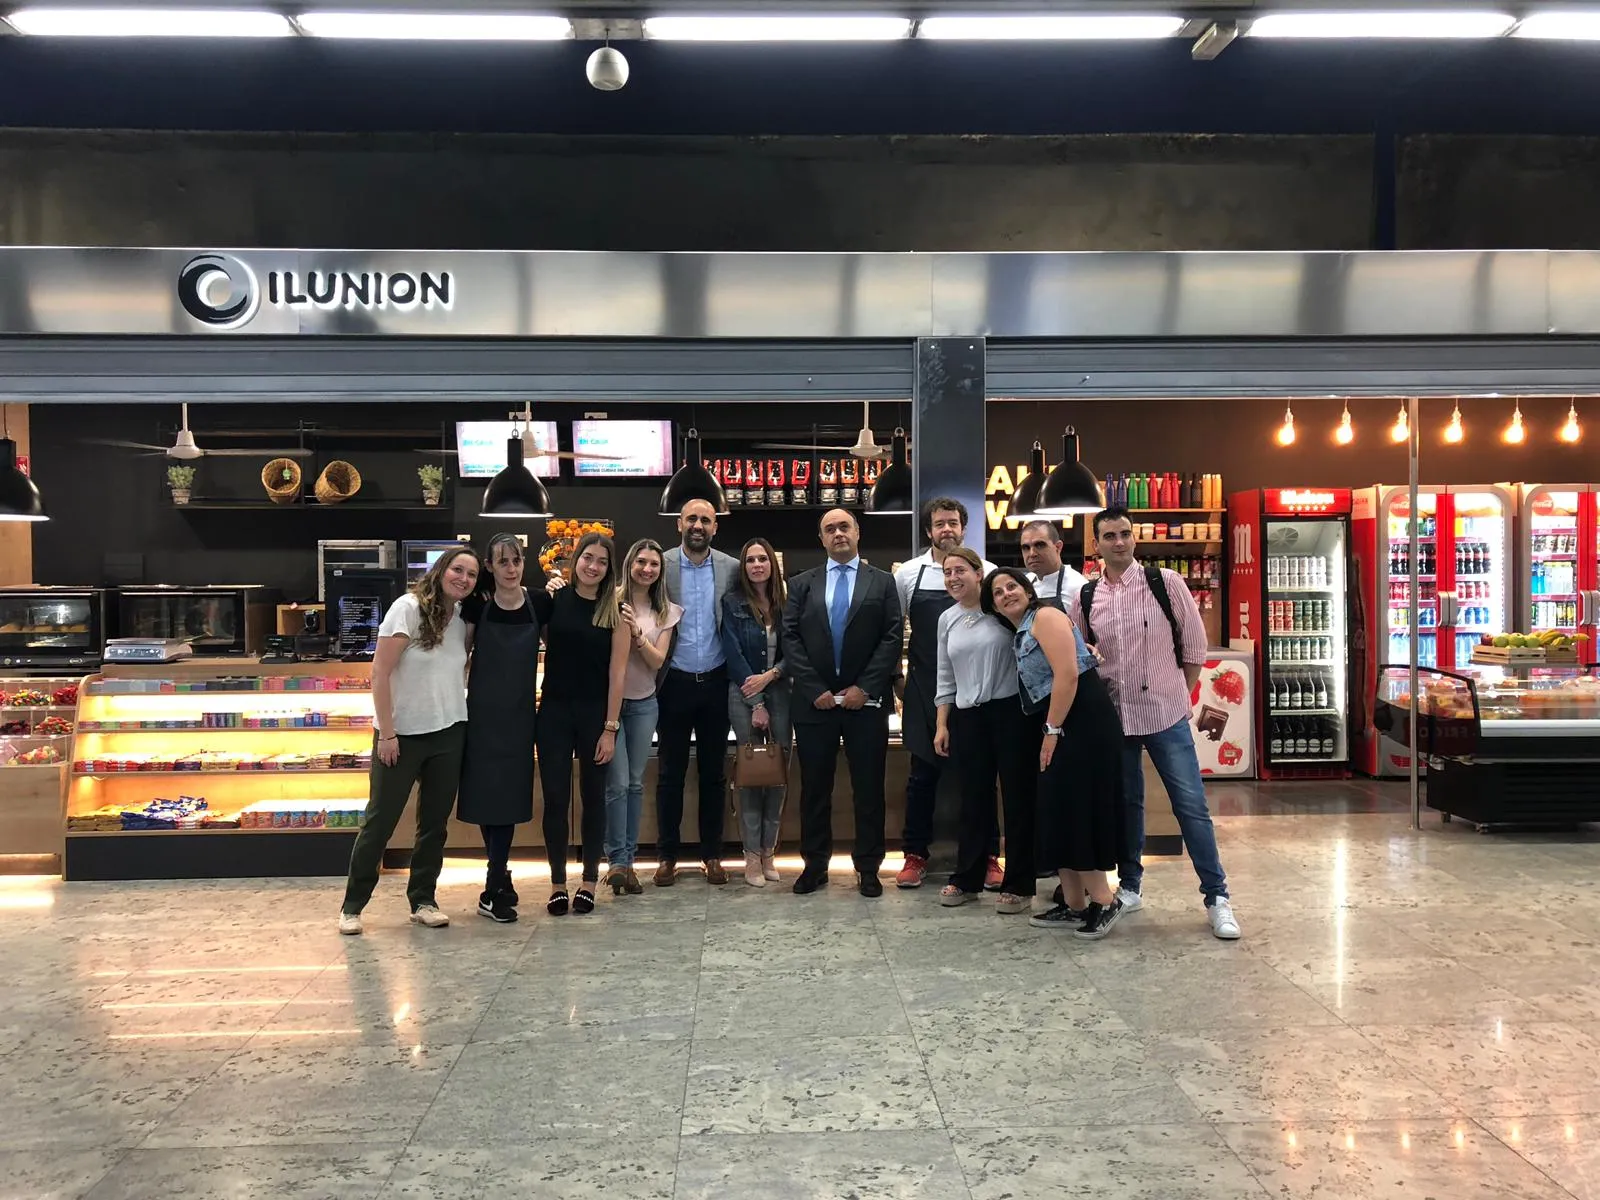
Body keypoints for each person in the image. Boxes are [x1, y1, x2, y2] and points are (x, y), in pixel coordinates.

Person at [1069, 506, 1241, 940]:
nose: (1119, 542)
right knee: (1128, 805)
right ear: (1097, 544)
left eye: (1125, 534)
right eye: (1109, 536)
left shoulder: (1165, 583)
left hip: (1165, 714)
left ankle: (1217, 897)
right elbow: (1081, 655)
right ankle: (1130, 886)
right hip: (1116, 717)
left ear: (1134, 538)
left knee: (1191, 806)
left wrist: (1178, 692)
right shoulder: (1086, 597)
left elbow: (1195, 648)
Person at [338, 546, 480, 935]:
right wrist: (386, 732)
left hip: (449, 732)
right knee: (380, 822)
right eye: (458, 569)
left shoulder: (460, 620)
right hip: (400, 736)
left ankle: (423, 899)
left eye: (471, 574)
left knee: (434, 825)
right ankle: (352, 906)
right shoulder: (407, 608)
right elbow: (379, 673)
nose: (464, 579)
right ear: (441, 569)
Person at [985, 567, 1128, 940]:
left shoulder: (1045, 616)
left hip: (1081, 720)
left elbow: (1067, 675)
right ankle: (1074, 904)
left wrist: (1051, 731)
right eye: (998, 593)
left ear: (1027, 589)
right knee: (1057, 808)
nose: (1006, 595)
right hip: (1059, 720)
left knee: (1078, 809)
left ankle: (1104, 900)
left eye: (1011, 586)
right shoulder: (1020, 631)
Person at [782, 508, 903, 897]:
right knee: (814, 789)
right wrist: (812, 686)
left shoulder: (883, 583)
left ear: (857, 532)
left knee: (868, 789)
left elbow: (891, 636)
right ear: (821, 539)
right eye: (829, 529)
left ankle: (868, 868)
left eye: (844, 527)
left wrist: (865, 688)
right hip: (814, 704)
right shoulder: (801, 584)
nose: (838, 533)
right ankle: (814, 866)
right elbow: (791, 638)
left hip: (863, 705)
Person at [892, 498, 997, 890]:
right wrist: (895, 680)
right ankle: (914, 855)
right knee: (922, 778)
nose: (946, 529)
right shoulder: (908, 575)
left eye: (953, 522)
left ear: (963, 528)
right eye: (939, 524)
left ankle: (988, 855)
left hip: (975, 693)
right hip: (924, 691)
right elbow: (893, 631)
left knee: (981, 777)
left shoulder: (984, 573)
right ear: (928, 531)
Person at [932, 548, 1038, 915]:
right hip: (967, 718)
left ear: (980, 573)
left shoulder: (1002, 612)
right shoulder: (947, 619)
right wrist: (942, 723)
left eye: (960, 570)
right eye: (947, 572)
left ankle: (1020, 882)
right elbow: (944, 675)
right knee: (973, 799)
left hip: (1010, 713)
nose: (953, 578)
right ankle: (968, 876)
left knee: (1018, 798)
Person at [459, 533, 552, 924]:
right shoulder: (476, 607)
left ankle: (495, 879)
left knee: (509, 802)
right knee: (486, 799)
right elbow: (459, 657)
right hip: (481, 716)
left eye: (516, 561)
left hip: (519, 717)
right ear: (490, 567)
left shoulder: (540, 603)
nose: (511, 569)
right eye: (503, 562)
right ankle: (495, 882)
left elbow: (558, 650)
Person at [537, 531, 630, 917]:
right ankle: (558, 883)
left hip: (595, 716)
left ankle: (589, 881)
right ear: (574, 560)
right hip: (554, 711)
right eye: (587, 558)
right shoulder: (554, 599)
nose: (593, 566)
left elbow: (618, 675)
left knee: (594, 800)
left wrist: (610, 728)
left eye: (601, 561)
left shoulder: (617, 611)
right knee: (556, 800)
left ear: (609, 570)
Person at [654, 499, 741, 887]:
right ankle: (667, 856)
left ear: (715, 527)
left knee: (714, 775)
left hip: (717, 681)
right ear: (679, 524)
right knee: (669, 774)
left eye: (706, 519)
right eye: (692, 518)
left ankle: (712, 855)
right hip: (673, 681)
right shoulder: (660, 564)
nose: (698, 525)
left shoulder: (732, 568)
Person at [606, 539, 682, 896]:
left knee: (635, 784)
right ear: (629, 564)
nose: (647, 569)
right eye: (641, 562)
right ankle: (616, 862)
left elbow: (656, 661)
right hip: (610, 707)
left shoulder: (666, 611)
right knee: (617, 784)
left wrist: (637, 634)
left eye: (654, 564)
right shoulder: (611, 600)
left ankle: (630, 863)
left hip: (645, 704)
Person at [721, 537, 793, 887]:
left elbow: (796, 647)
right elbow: (732, 654)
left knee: (777, 776)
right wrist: (757, 703)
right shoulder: (732, 602)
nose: (757, 565)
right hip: (744, 695)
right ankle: (750, 855)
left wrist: (773, 674)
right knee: (750, 777)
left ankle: (769, 851)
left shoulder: (786, 601)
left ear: (772, 564)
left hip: (781, 692)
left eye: (763, 558)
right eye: (750, 560)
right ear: (743, 566)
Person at [1019, 519, 1089, 612]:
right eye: (1026, 547)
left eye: (1039, 545)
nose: (1032, 553)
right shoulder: (1024, 584)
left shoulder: (1077, 586)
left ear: (1058, 547)